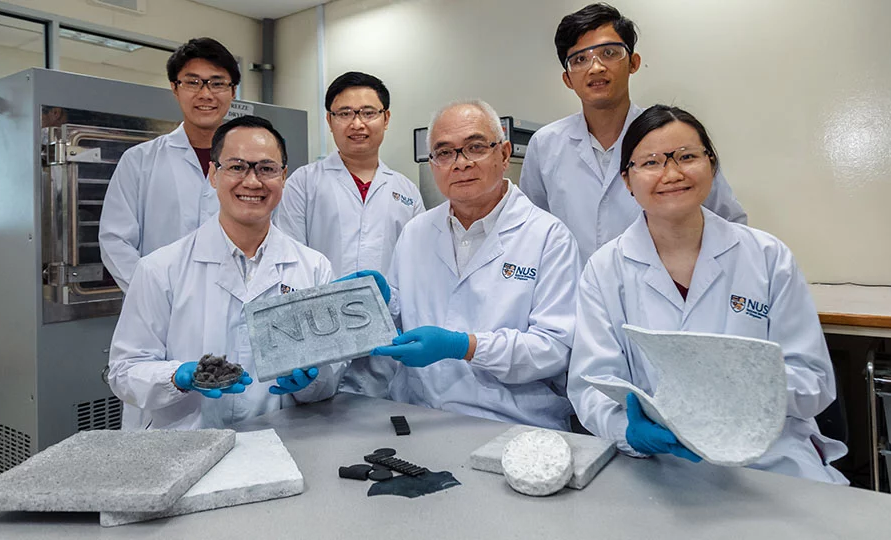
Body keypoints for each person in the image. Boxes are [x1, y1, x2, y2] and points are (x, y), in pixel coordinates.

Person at [567, 104, 848, 484]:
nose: (671, 173)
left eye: (686, 157)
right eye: (650, 162)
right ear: (627, 181)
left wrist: (731, 387)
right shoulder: (604, 270)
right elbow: (591, 386)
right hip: (656, 466)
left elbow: (813, 383)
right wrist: (630, 432)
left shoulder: (767, 258)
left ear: (712, 167)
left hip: (770, 459)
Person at [107, 116, 341, 430]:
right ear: (213, 174)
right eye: (236, 167)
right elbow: (124, 372)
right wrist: (177, 377)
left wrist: (310, 380)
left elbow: (327, 381)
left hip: (278, 443)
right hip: (186, 448)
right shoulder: (160, 269)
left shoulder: (314, 269)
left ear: (283, 177)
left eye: (267, 168)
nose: (253, 182)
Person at [371, 100, 579, 430]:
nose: (461, 164)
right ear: (433, 163)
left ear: (504, 154)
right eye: (445, 153)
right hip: (419, 416)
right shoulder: (416, 232)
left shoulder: (548, 237)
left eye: (475, 147)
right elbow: (402, 317)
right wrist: (380, 301)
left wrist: (465, 347)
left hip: (513, 423)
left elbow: (553, 349)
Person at [520, 3, 746, 270]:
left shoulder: (672, 136)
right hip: (575, 302)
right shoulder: (545, 144)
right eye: (579, 59)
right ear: (567, 79)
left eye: (609, 53)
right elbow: (532, 232)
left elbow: (729, 223)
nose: (595, 68)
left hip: (663, 298)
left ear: (633, 63)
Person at [275, 71, 424, 398]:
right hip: (319, 334)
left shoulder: (406, 190)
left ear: (386, 119)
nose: (357, 123)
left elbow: (418, 271)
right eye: (345, 113)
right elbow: (288, 261)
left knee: (381, 429)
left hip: (388, 333)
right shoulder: (304, 183)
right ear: (330, 120)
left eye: (368, 113)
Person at [100, 37, 239, 294]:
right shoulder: (139, 160)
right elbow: (115, 240)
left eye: (217, 83)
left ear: (233, 91)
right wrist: (152, 295)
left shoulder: (249, 164)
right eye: (192, 82)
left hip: (235, 304)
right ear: (175, 88)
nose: (205, 94)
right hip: (160, 307)